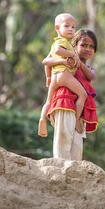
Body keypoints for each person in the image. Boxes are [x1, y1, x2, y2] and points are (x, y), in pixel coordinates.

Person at [42, 29, 99, 160]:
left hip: (80, 109)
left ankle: (75, 171)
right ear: (74, 46)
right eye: (83, 45)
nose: (87, 49)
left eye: (91, 47)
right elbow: (47, 60)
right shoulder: (68, 62)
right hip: (65, 102)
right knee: (64, 137)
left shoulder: (89, 69)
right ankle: (61, 168)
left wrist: (78, 60)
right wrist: (50, 74)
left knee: (77, 142)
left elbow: (91, 76)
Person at [37, 13, 87, 138]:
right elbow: (59, 51)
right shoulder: (62, 41)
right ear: (57, 28)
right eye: (67, 26)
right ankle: (76, 120)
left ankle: (42, 118)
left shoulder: (55, 44)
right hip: (64, 75)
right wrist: (73, 55)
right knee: (83, 94)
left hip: (55, 77)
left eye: (73, 27)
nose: (71, 29)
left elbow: (46, 62)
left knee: (48, 100)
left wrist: (48, 77)